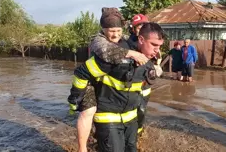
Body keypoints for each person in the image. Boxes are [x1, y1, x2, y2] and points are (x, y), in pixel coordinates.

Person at [68, 22, 165, 152]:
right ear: (141, 39)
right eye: (154, 45)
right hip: (108, 117)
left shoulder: (150, 60)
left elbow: (144, 96)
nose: (157, 50)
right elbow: (82, 73)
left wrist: (139, 126)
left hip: (130, 118)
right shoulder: (116, 56)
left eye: (159, 46)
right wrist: (76, 100)